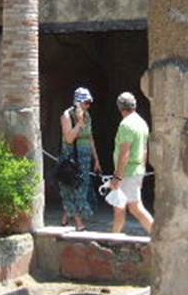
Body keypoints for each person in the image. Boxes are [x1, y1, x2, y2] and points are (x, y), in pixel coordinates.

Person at [110, 91, 154, 235]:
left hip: (127, 172)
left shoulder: (126, 125)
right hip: (136, 170)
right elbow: (145, 150)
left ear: (119, 107)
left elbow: (125, 153)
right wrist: (142, 171)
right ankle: (114, 237)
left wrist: (117, 177)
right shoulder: (142, 123)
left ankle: (156, 234)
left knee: (133, 207)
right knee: (121, 206)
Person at [59, 87, 101, 231]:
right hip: (71, 158)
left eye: (89, 103)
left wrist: (96, 160)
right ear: (78, 102)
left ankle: (66, 216)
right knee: (73, 188)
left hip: (85, 157)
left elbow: (90, 138)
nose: (88, 106)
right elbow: (69, 138)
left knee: (81, 188)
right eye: (86, 103)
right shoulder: (67, 116)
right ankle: (78, 223)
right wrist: (78, 124)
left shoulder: (88, 116)